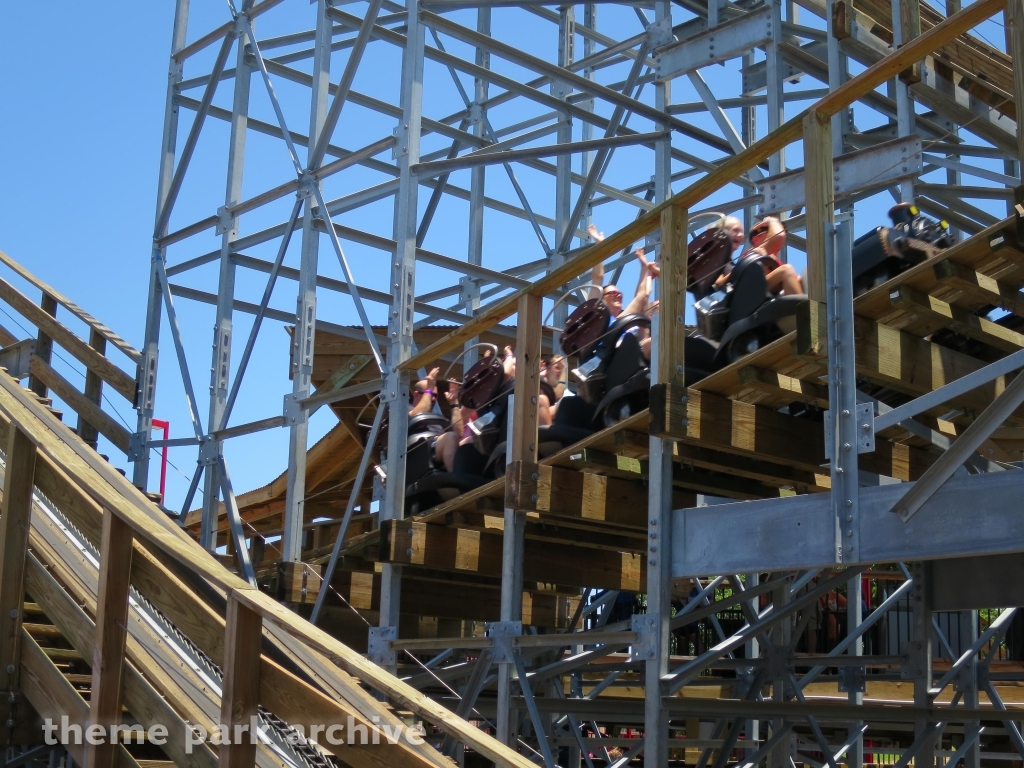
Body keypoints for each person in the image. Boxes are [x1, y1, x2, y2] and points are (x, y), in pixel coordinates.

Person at [714, 216, 803, 296]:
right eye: (735, 230)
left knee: (803, 279)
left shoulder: (731, 263)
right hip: (744, 295)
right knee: (786, 270)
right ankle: (805, 312)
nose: (741, 235)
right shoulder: (714, 260)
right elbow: (718, 284)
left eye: (741, 232)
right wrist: (771, 220)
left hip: (754, 291)